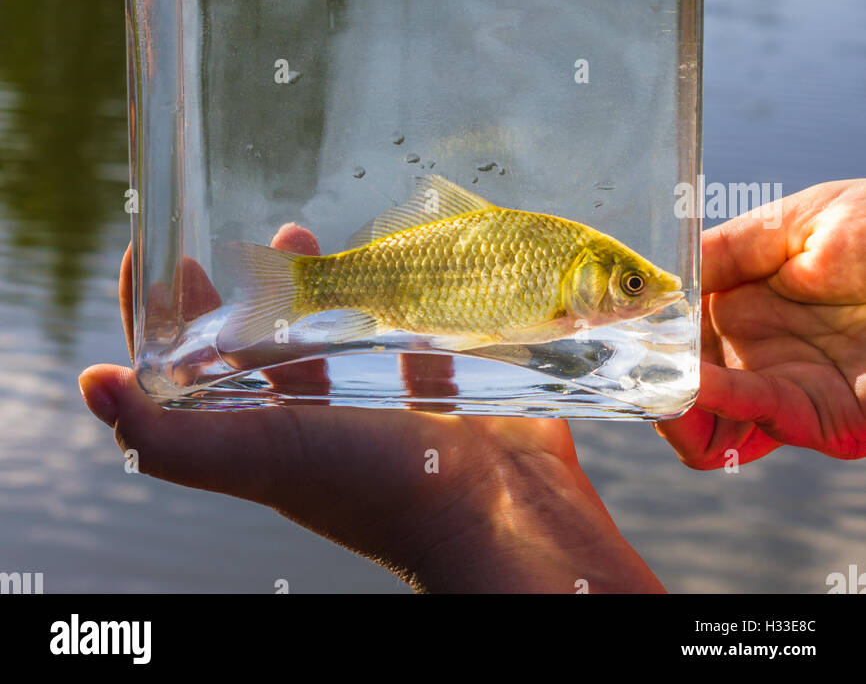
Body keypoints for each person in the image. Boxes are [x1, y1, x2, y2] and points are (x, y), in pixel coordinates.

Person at [79, 179, 866, 593]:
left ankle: (304, 288)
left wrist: (470, 513)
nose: (638, 296)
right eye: (627, 286)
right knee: (323, 287)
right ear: (587, 281)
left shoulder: (575, 285)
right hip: (411, 290)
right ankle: (303, 287)